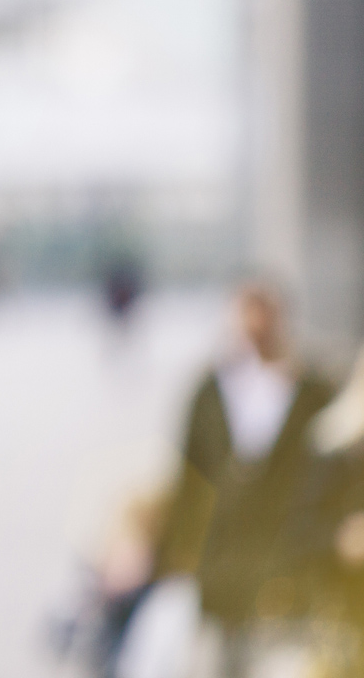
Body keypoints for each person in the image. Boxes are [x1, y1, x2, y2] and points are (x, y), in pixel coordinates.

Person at [134, 283, 334, 676]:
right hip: (220, 555)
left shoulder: (311, 389)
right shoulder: (210, 390)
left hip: (286, 554)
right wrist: (174, 556)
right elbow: (190, 475)